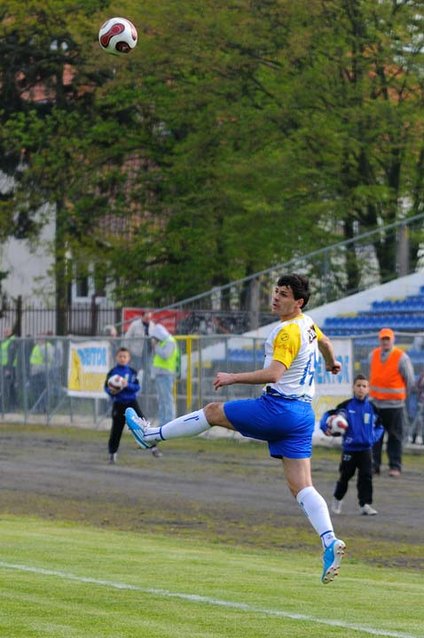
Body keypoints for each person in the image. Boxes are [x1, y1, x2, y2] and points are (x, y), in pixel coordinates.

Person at [126, 273, 345, 584]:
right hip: (301, 415)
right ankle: (329, 541)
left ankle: (149, 436)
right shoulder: (307, 323)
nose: (276, 297)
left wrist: (232, 377)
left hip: (278, 409)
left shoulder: (287, 332)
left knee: (213, 412)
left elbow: (273, 374)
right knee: (302, 486)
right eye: (276, 291)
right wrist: (331, 363)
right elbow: (324, 342)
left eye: (283, 294)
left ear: (298, 302)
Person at [320, 374, 384, 516]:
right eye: (358, 386)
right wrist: (325, 427)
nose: (361, 389)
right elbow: (328, 416)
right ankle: (337, 498)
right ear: (353, 388)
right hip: (350, 449)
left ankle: (365, 504)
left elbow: (380, 427)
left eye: (364, 386)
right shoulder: (345, 407)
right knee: (345, 476)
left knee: (366, 477)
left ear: (368, 389)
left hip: (366, 449)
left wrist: (373, 438)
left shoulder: (372, 408)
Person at [369, 328, 415, 477]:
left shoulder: (402, 357)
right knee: (376, 438)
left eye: (388, 339)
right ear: (379, 340)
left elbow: (410, 380)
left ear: (393, 340)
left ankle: (395, 467)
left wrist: (401, 397)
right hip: (376, 404)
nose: (385, 342)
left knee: (395, 437)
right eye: (383, 339)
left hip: (394, 406)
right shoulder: (373, 355)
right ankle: (374, 466)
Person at [104, 347, 161, 463]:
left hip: (131, 403)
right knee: (116, 430)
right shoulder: (112, 373)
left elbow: (137, 387)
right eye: (120, 356)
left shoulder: (132, 372)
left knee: (143, 424)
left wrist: (126, 385)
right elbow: (106, 387)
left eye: (125, 356)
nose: (122, 358)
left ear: (128, 358)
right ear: (116, 358)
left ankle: (153, 447)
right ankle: (112, 453)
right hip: (118, 404)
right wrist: (112, 391)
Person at [150, 322, 180, 426]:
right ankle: (163, 422)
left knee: (167, 399)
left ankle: (169, 422)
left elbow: (165, 355)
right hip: (160, 374)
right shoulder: (163, 342)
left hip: (166, 374)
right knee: (162, 400)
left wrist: (156, 347)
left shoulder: (170, 341)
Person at [0, 326, 18, 410]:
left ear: (11, 331)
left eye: (7, 331)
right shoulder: (5, 341)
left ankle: (10, 406)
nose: (5, 333)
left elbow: (11, 356)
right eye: (4, 331)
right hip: (3, 366)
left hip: (10, 367)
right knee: (8, 386)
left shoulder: (12, 341)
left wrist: (8, 369)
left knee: (8, 387)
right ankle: (10, 406)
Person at [410, 371, 424, 445]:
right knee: (419, 417)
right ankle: (418, 436)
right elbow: (414, 387)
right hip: (421, 401)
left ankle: (412, 434)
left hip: (421, 401)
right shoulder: (421, 376)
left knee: (419, 417)